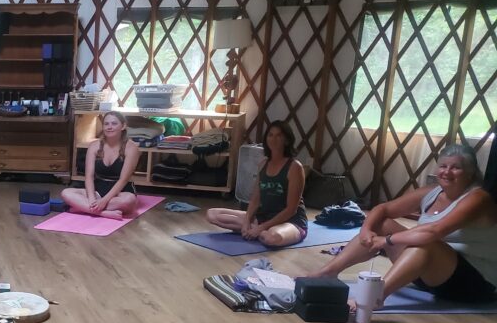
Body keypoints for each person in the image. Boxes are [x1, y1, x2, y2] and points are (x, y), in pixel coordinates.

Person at [310, 143, 497, 303]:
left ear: (471, 172)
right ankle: (328, 272)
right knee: (383, 223)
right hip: (430, 273)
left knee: (426, 242)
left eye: (456, 167)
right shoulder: (433, 191)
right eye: (443, 166)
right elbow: (382, 209)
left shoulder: (478, 199)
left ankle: (375, 297)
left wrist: (386, 241)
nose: (447, 172)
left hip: (474, 283)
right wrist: (367, 230)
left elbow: (433, 232)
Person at [206, 121, 308, 247]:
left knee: (272, 238)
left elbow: (291, 210)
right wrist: (246, 221)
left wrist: (260, 228)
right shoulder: (263, 164)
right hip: (263, 217)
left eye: (279, 135)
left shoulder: (294, 167)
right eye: (270, 135)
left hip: (290, 222)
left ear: (287, 140)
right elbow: (255, 200)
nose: (273, 139)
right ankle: (254, 230)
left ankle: (258, 231)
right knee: (212, 214)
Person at [60, 111, 140, 219]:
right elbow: (89, 177)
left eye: (114, 123)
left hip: (121, 191)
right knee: (66, 193)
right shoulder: (94, 146)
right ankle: (102, 213)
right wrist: (92, 199)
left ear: (123, 126)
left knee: (128, 201)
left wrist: (104, 201)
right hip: (97, 189)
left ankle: (81, 208)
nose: (109, 127)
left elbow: (123, 180)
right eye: (106, 124)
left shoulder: (132, 148)